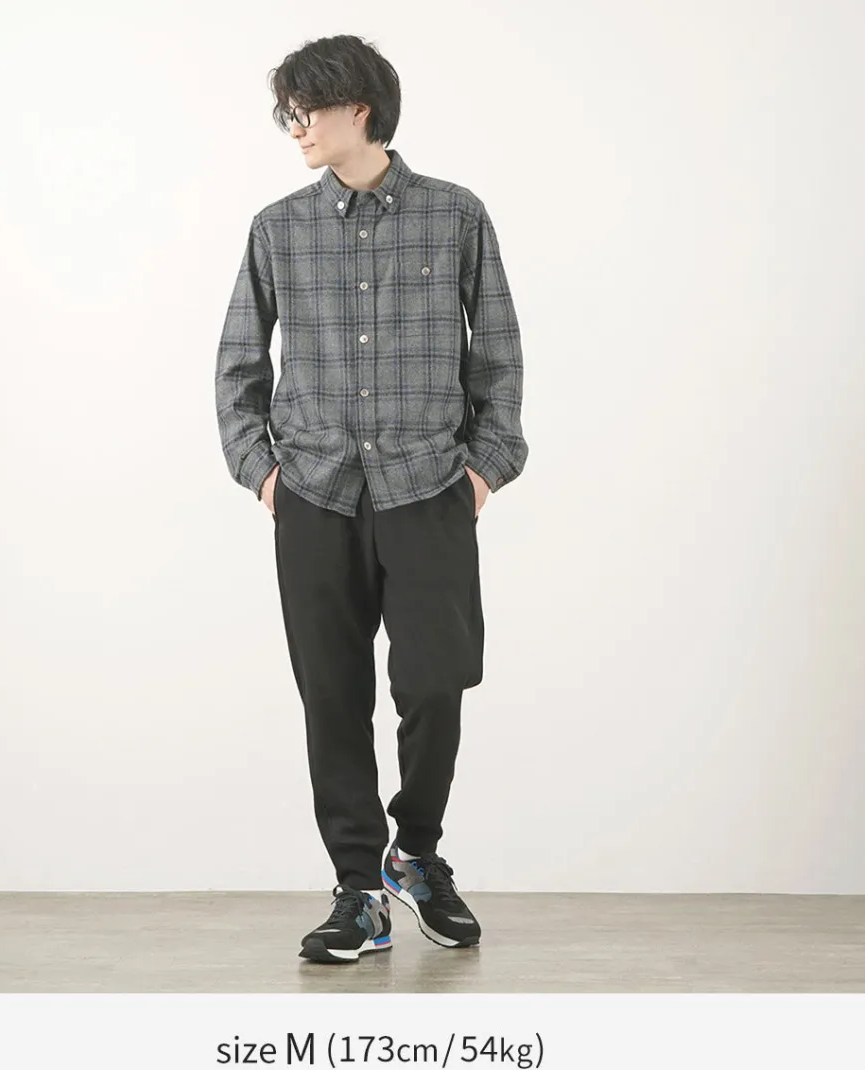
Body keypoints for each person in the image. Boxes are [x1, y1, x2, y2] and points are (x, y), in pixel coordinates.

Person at [215, 34, 528, 965]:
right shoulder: (277, 228)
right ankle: (358, 889)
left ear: (360, 107)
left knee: (436, 680)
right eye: (288, 112)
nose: (296, 127)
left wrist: (483, 470)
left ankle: (415, 851)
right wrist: (262, 471)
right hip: (313, 495)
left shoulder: (456, 215)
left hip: (429, 488)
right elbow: (238, 364)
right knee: (332, 693)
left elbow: (499, 356)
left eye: (308, 108)